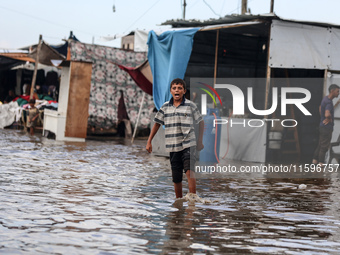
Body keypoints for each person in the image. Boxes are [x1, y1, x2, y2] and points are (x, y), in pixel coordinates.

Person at [146, 78, 205, 198]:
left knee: (189, 170)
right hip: (173, 145)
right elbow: (157, 124)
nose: (177, 90)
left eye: (179, 88)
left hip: (189, 143)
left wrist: (199, 141)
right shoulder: (165, 107)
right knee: (176, 176)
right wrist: (149, 141)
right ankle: (179, 202)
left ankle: (192, 199)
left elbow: (201, 122)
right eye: (174, 88)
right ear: (171, 91)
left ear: (184, 91)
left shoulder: (190, 106)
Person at [312, 84, 340, 165]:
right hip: (327, 128)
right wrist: (328, 118)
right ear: (332, 91)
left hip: (322, 126)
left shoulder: (325, 99)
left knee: (320, 145)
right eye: (337, 91)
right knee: (324, 148)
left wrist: (323, 117)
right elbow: (327, 113)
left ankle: (314, 163)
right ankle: (321, 165)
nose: (338, 93)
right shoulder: (329, 102)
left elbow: (320, 108)